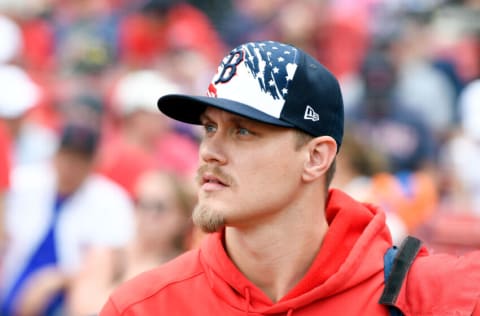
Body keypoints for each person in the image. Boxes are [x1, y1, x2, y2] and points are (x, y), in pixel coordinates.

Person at [100, 41, 480, 315]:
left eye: (243, 131)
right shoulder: (143, 306)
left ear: (316, 158)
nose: (209, 151)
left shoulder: (430, 295)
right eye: (210, 128)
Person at [1, 123, 134, 316]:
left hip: (65, 298)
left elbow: (111, 266)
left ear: (93, 163)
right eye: (67, 157)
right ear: (55, 155)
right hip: (12, 283)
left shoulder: (111, 200)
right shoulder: (24, 182)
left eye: (80, 160)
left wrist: (57, 279)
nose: (71, 166)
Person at [68, 169, 194, 315]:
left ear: (182, 217)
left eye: (159, 207)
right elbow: (80, 310)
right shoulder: (108, 254)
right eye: (140, 202)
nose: (147, 213)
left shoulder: (185, 271)